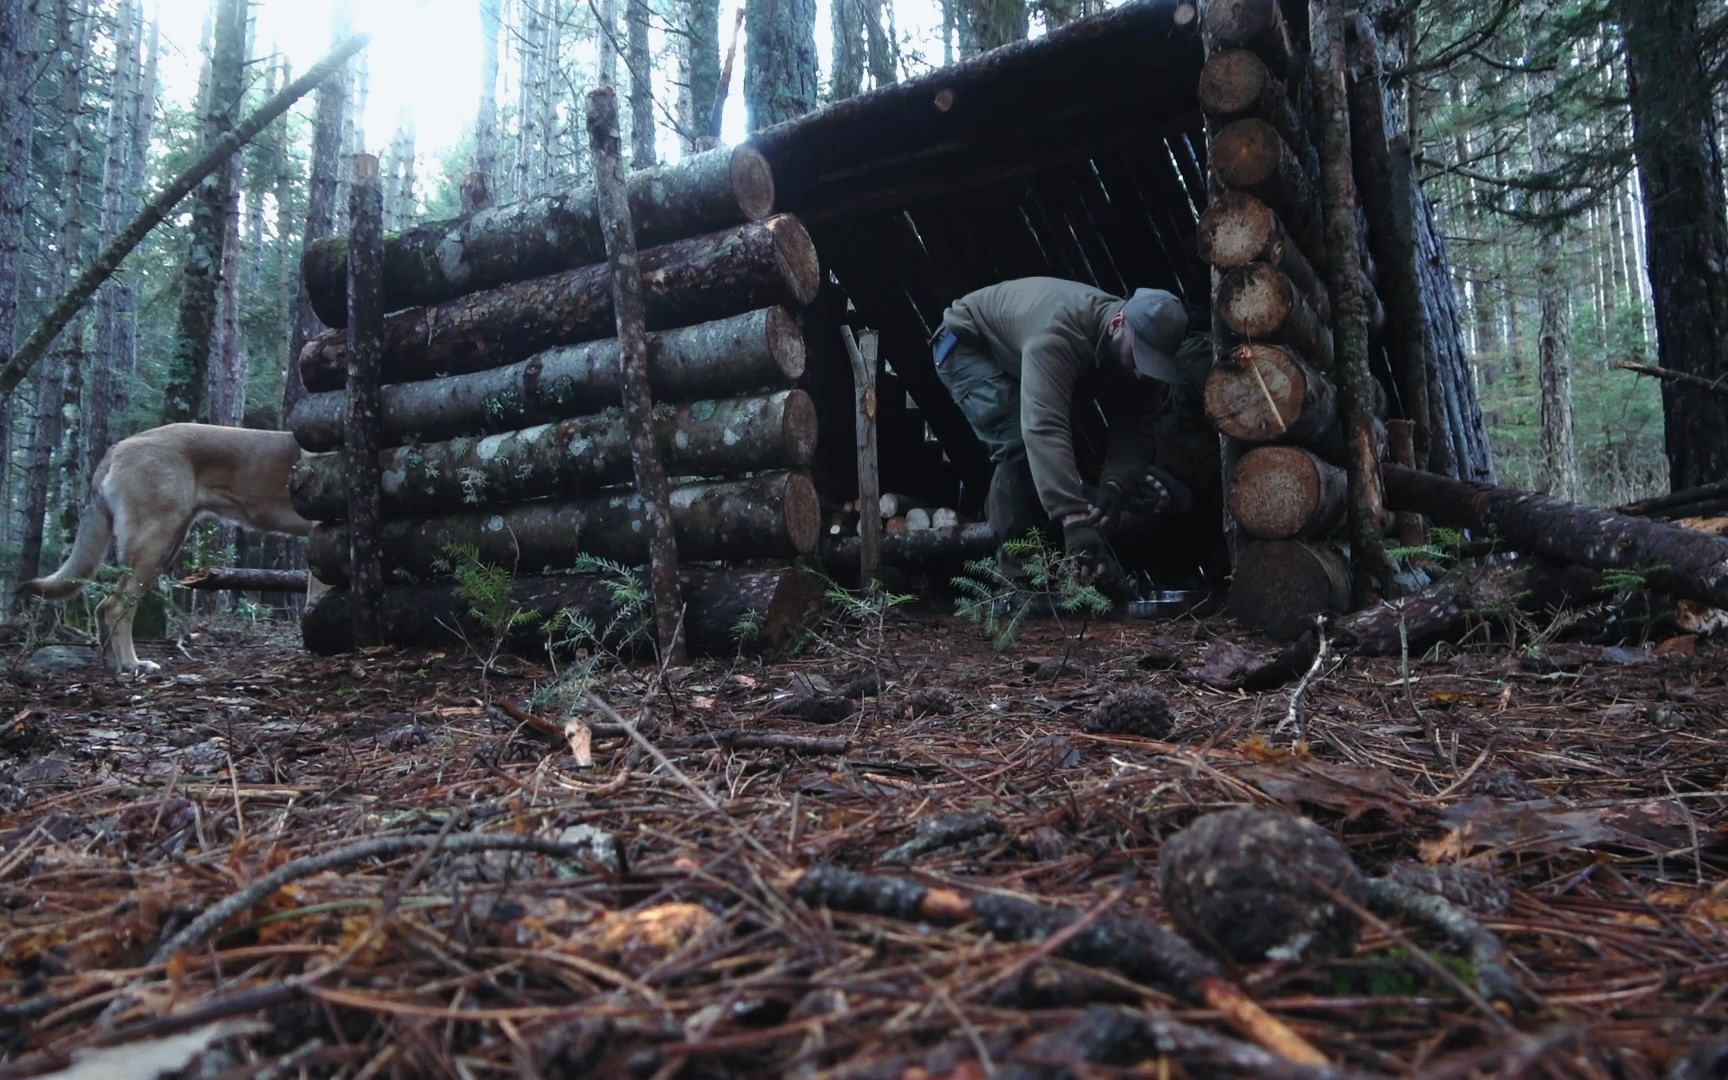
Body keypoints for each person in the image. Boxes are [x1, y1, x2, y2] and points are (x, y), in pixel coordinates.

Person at [931, 276, 1205, 589]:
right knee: (1018, 445)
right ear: (1118, 323)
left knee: (1071, 464)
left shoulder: (1141, 357)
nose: (1143, 371)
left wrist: (1115, 484)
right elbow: (1044, 425)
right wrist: (1074, 519)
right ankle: (1021, 576)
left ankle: (1078, 567)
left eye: (1153, 363)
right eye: (1139, 356)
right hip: (966, 346)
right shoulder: (1059, 333)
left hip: (1020, 352)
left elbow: (1137, 428)